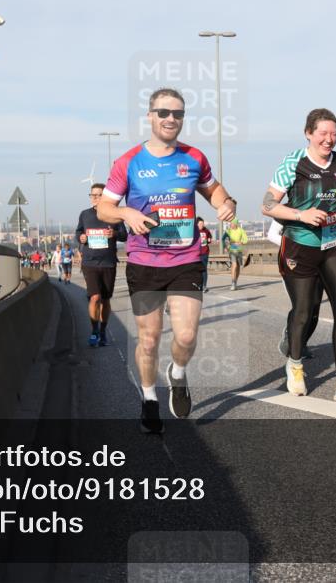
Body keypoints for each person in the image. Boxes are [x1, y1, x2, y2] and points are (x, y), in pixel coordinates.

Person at [98, 88, 237, 434]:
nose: (170, 119)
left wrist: (227, 202)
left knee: (186, 336)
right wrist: (125, 211)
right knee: (148, 339)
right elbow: (104, 208)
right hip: (145, 261)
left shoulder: (194, 158)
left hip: (186, 258)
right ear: (150, 116)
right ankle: (148, 399)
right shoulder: (128, 162)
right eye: (163, 112)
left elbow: (214, 190)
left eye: (177, 113)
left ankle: (177, 372)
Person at [262, 108, 336, 404]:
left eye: (333, 134)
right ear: (308, 133)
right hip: (299, 245)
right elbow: (267, 205)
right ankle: (294, 365)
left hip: (333, 244)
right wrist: (301, 214)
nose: (329, 139)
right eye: (323, 133)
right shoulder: (293, 162)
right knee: (305, 311)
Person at [77, 183, 128, 346]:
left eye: (99, 195)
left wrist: (114, 233)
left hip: (108, 262)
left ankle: (103, 330)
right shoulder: (85, 214)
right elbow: (78, 232)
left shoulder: (115, 215)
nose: (95, 198)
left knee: (105, 299)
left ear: (105, 196)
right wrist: (81, 238)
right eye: (92, 195)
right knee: (94, 297)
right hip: (89, 262)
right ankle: (94, 331)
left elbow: (124, 236)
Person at [268, 219, 317, 360]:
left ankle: (302, 342)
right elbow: (271, 234)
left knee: (314, 307)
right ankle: (292, 339)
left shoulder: (323, 206)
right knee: (301, 305)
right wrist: (297, 245)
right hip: (292, 261)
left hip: (316, 261)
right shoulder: (285, 210)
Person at [225, 219, 248, 290]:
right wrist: (227, 245)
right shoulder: (228, 231)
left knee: (238, 267)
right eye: (230, 224)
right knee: (234, 265)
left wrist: (241, 242)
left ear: (235, 224)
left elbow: (246, 240)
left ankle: (235, 282)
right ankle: (233, 282)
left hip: (239, 251)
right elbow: (225, 239)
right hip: (232, 250)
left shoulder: (241, 230)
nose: (230, 225)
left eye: (232, 224)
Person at [197, 217, 213, 292]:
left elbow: (209, 238)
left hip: (205, 252)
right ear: (197, 224)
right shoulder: (194, 231)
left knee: (204, 269)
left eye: (202, 223)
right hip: (196, 253)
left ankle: (204, 286)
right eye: (200, 223)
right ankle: (199, 285)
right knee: (197, 270)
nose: (202, 225)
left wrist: (209, 240)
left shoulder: (206, 230)